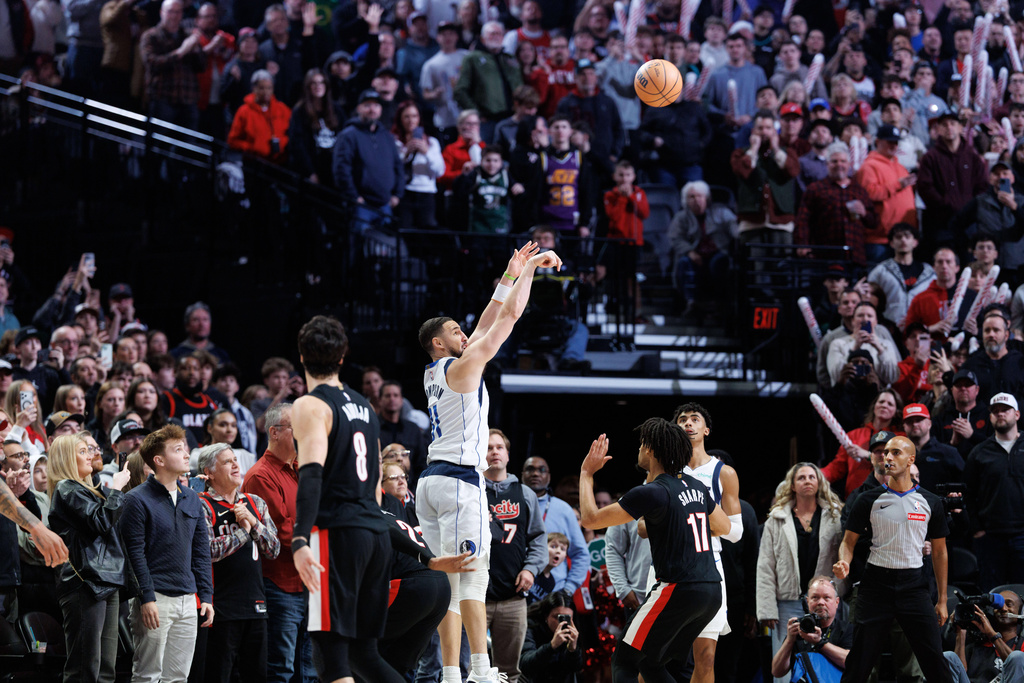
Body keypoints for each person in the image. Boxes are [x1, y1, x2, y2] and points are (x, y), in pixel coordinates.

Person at [417, 243, 561, 683]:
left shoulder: (436, 372)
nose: (466, 335)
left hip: (431, 482)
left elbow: (485, 321)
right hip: (460, 483)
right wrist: (533, 270)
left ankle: (449, 673)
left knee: (450, 585)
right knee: (473, 582)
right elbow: (506, 320)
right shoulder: (463, 368)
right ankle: (479, 671)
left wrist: (510, 272)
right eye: (456, 332)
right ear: (439, 342)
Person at [288, 315, 403, 683]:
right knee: (364, 656)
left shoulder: (309, 405)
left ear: (301, 356)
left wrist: (300, 538)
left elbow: (311, 474)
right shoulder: (366, 408)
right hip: (375, 534)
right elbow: (375, 486)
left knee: (331, 657)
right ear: (342, 358)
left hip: (337, 534)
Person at [578, 419, 730, 682]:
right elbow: (724, 526)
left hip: (678, 587)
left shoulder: (652, 492)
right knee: (651, 663)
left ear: (649, 449)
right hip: (712, 589)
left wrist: (586, 474)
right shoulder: (696, 487)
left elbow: (590, 520)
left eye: (641, 444)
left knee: (624, 661)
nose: (638, 449)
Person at [833, 435, 952, 683]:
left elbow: (940, 552)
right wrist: (844, 561)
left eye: (895, 453)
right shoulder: (867, 499)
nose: (888, 457)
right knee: (860, 663)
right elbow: (848, 541)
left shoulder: (930, 501)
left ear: (911, 460)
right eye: (886, 453)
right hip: (876, 585)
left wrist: (941, 600)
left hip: (914, 586)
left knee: (934, 662)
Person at [120, 424, 214, 683]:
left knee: (178, 677)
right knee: (148, 675)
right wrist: (146, 598)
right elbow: (134, 554)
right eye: (178, 449)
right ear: (159, 460)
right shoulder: (136, 500)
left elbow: (200, 552)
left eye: (185, 448)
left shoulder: (192, 498)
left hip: (187, 598)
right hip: (155, 597)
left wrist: (205, 595)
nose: (186, 454)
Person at [240, 402, 317, 683]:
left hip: (308, 580)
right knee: (281, 668)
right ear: (274, 432)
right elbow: (282, 532)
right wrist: (318, 542)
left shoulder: (301, 468)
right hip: (280, 584)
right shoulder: (261, 475)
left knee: (308, 668)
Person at [47, 432, 131, 683]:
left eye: (90, 450)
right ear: (66, 458)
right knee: (85, 666)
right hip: (85, 582)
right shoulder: (66, 488)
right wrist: (117, 488)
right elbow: (102, 521)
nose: (90, 455)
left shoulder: (92, 490)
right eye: (82, 451)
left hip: (107, 579)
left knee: (106, 668)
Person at [671, 402, 744, 683]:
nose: (688, 423)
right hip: (670, 564)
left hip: (708, 561)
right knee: (656, 656)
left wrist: (697, 521)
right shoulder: (664, 471)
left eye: (695, 419)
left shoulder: (723, 472)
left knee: (706, 657)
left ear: (706, 429)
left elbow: (735, 533)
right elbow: (643, 526)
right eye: (682, 420)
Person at [197, 442, 280, 683]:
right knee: (219, 675)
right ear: (209, 472)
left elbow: (273, 549)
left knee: (257, 676)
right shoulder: (202, 503)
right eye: (227, 461)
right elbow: (208, 551)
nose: (236, 465)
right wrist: (244, 532)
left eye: (235, 460)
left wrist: (254, 523)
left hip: (256, 604)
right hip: (220, 606)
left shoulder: (255, 503)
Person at [757, 463, 845, 683]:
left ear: (819, 483)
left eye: (812, 477)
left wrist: (836, 597)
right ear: (792, 485)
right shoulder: (776, 519)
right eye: (801, 478)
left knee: (825, 657)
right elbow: (765, 565)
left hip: (822, 600)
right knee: (784, 663)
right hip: (786, 601)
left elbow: (841, 557)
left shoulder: (834, 516)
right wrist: (766, 607)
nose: (807, 481)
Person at [483, 428, 547, 682]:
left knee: (509, 672)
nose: (494, 452)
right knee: (466, 667)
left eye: (499, 447)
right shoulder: (471, 489)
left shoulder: (525, 493)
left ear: (508, 455)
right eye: (488, 447)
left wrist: (531, 569)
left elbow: (538, 538)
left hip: (513, 598)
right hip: (475, 596)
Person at [964, 392, 1024, 590]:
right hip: (991, 537)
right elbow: (968, 494)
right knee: (991, 596)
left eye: (1005, 410)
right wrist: (977, 529)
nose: (1000, 414)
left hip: (1022, 534)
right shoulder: (979, 452)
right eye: (995, 411)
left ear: (1016, 414)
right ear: (989, 417)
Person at [332, 89, 405, 235]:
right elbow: (341, 169)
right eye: (367, 105)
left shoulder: (387, 136)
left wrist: (397, 194)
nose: (372, 110)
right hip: (362, 206)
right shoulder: (349, 135)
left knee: (384, 252)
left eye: (376, 106)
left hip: (385, 205)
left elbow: (398, 166)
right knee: (359, 250)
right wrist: (354, 197)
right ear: (359, 108)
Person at [917, 110, 989, 255]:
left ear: (960, 128)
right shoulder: (930, 157)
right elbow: (925, 187)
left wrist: (969, 209)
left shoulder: (972, 157)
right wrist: (945, 204)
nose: (949, 127)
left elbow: (982, 186)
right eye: (944, 124)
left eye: (953, 123)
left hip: (969, 224)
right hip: (940, 224)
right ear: (938, 130)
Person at [794, 141, 876, 266]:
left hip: (855, 256)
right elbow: (803, 220)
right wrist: (802, 244)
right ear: (827, 164)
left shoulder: (859, 190)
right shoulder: (815, 189)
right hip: (824, 255)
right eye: (834, 161)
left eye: (843, 161)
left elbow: (874, 221)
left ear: (849, 164)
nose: (839, 165)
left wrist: (864, 213)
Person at [521, 454, 589, 596]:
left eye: (541, 470)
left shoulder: (563, 509)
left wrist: (568, 589)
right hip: (514, 588)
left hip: (554, 592)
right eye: (530, 469)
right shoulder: (510, 505)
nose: (535, 473)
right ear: (522, 475)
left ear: (549, 477)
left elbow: (581, 554)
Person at [669, 180, 738, 318]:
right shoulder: (681, 217)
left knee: (719, 263)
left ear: (706, 198)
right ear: (686, 200)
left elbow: (735, 230)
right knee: (684, 263)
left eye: (700, 196)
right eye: (692, 197)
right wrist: (689, 251)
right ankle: (691, 303)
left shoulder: (722, 212)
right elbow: (675, 238)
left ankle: (720, 305)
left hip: (718, 253)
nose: (696, 200)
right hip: (694, 255)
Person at [855, 123, 917, 264]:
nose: (894, 146)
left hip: (903, 239)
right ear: (878, 142)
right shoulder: (869, 166)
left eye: (895, 142)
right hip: (879, 239)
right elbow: (869, 194)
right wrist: (898, 185)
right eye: (889, 142)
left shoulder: (901, 167)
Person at [769, 576, 852, 681]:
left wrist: (820, 643)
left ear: (837, 602)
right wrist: (790, 640)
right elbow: (777, 672)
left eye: (826, 597)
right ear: (807, 602)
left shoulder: (847, 629)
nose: (821, 602)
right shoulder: (800, 629)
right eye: (815, 598)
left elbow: (851, 662)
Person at [139, 0, 206, 129]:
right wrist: (181, 51)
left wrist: (197, 48)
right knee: (159, 145)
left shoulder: (188, 36)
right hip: (163, 98)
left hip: (188, 99)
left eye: (178, 12)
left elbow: (201, 66)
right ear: (161, 13)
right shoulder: (151, 36)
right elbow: (152, 63)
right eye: (170, 12)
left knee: (187, 146)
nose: (174, 16)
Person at [453, 20, 523, 142]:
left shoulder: (509, 59)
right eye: (492, 33)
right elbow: (460, 91)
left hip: (511, 118)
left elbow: (520, 87)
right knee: (489, 154)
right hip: (487, 120)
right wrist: (476, 114)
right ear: (483, 38)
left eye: (499, 33)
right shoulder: (472, 58)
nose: (496, 36)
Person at [944, 589, 1024, 683]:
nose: (1003, 609)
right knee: (948, 656)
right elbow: (959, 674)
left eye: (1009, 604)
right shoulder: (977, 645)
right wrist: (960, 632)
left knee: (1017, 657)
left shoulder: (1021, 645)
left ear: (1021, 612)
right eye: (998, 605)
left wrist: (992, 634)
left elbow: (1018, 667)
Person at [867, 224, 936, 327]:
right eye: (898, 237)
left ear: (915, 242)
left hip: (920, 328)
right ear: (891, 243)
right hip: (889, 327)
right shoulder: (881, 271)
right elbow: (870, 300)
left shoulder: (928, 272)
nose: (903, 240)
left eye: (907, 237)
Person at [392, 100, 445, 229]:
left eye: (414, 116)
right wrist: (405, 155)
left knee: (425, 235)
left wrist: (426, 152)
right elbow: (391, 169)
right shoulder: (394, 143)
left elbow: (439, 171)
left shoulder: (432, 142)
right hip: (405, 193)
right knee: (405, 232)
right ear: (400, 119)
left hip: (426, 193)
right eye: (407, 116)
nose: (411, 120)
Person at [826, 302, 901, 389]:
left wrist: (879, 349)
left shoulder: (885, 345)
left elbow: (892, 378)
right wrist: (855, 348)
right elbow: (836, 375)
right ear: (853, 321)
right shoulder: (837, 344)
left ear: (876, 321)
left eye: (870, 316)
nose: (865, 319)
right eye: (860, 315)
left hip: (877, 397)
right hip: (846, 397)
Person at [227, 69, 292, 163]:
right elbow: (232, 141)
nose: (266, 92)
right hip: (254, 163)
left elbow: (293, 133)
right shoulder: (244, 111)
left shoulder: (282, 109)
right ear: (254, 88)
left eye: (269, 88)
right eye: (262, 88)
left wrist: (283, 143)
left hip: (280, 162)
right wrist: (252, 147)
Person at [518, 591, 585, 682]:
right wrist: (551, 646)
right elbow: (526, 665)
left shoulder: (572, 630)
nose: (562, 623)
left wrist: (573, 650)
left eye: (567, 618)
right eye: (557, 617)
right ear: (546, 616)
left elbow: (576, 668)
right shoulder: (531, 625)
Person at [900, 403, 964, 493]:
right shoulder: (898, 455)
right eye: (909, 421)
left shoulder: (948, 453)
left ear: (929, 423)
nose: (914, 424)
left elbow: (965, 483)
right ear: (904, 426)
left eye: (919, 420)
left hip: (940, 505)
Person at [932, 368, 990, 460]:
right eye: (958, 385)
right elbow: (933, 453)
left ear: (977, 390)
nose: (963, 388)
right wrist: (952, 443)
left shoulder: (989, 417)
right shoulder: (940, 419)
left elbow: (997, 447)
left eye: (968, 385)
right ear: (952, 390)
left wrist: (972, 436)